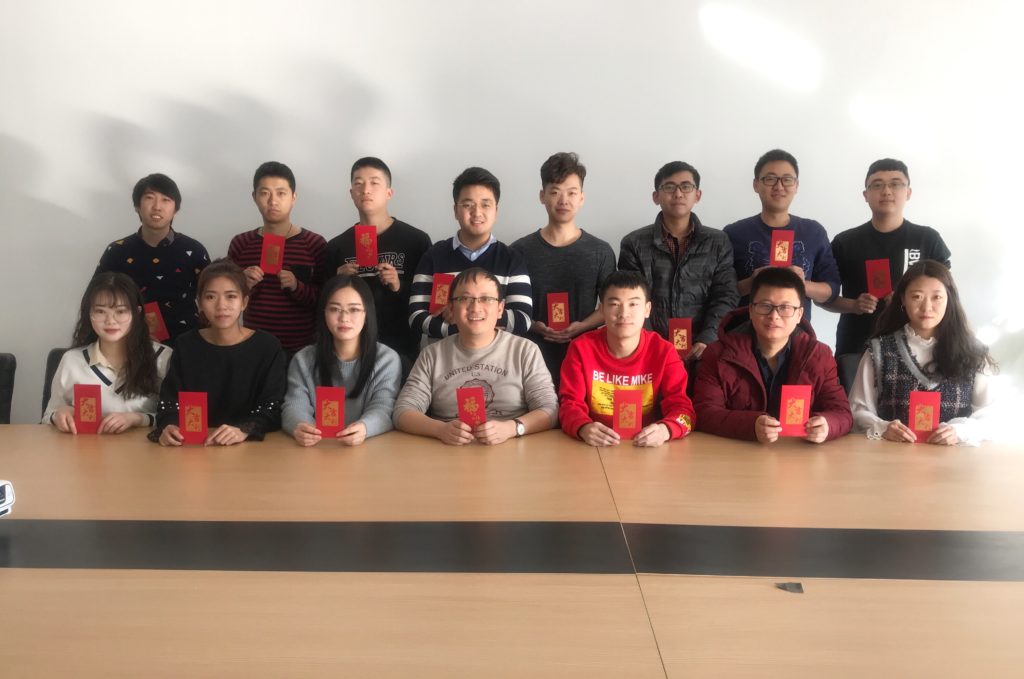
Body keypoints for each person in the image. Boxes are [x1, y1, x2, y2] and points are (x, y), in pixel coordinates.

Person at [394, 267, 557, 445]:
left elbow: (549, 410)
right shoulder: (432, 355)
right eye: (465, 299)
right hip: (449, 450)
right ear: (451, 307)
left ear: (500, 308)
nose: (475, 307)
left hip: (512, 446)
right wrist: (440, 430)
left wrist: (512, 428)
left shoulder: (525, 351)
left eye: (486, 299)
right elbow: (403, 411)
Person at [694, 267, 852, 444]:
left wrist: (828, 425)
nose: (774, 316)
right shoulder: (718, 354)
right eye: (765, 306)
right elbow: (704, 411)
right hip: (736, 452)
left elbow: (841, 413)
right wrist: (750, 425)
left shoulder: (820, 356)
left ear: (799, 314)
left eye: (785, 308)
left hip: (797, 454)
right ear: (751, 310)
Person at [849, 260, 996, 446]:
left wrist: (960, 431)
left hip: (955, 458)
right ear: (903, 299)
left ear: (949, 299)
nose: (927, 307)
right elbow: (857, 409)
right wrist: (883, 427)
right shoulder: (878, 350)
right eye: (917, 297)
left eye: (937, 297)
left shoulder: (973, 353)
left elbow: (990, 414)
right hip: (892, 456)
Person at [151, 259, 287, 446]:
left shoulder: (267, 347)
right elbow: (169, 402)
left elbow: (273, 407)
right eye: (210, 297)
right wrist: (169, 426)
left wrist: (244, 430)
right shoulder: (186, 345)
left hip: (250, 448)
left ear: (244, 302)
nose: (221, 305)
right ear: (199, 303)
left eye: (231, 296)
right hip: (195, 448)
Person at [825, 158, 952, 356]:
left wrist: (907, 297)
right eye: (877, 185)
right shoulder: (845, 242)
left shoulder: (927, 239)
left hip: (918, 347)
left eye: (895, 184)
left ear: (908, 192)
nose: (886, 191)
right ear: (865, 195)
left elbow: (947, 292)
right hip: (857, 347)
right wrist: (854, 305)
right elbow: (824, 298)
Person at [511, 152, 615, 388]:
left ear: (582, 198)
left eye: (571, 192)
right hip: (530, 356)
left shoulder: (601, 251)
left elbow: (610, 306)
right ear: (542, 196)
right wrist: (533, 324)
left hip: (585, 357)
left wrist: (583, 326)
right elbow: (507, 305)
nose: (563, 200)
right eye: (555, 192)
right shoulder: (519, 251)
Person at [618, 160, 738, 365]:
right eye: (669, 187)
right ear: (656, 196)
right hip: (649, 351)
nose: (678, 193)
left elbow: (726, 295)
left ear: (697, 195)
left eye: (686, 186)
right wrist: (651, 344)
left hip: (705, 349)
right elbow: (631, 300)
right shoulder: (634, 243)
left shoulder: (718, 242)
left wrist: (707, 339)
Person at [559, 271, 696, 447]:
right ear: (602, 309)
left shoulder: (664, 352)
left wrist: (666, 430)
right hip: (594, 447)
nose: (624, 313)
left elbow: (684, 410)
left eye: (633, 304)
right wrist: (583, 427)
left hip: (646, 448)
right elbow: (569, 404)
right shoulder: (580, 348)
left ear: (647, 309)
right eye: (615, 304)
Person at [322, 157, 432, 369]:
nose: (366, 190)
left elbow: (428, 298)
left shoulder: (416, 240)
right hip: (351, 352)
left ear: (389, 192)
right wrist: (338, 282)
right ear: (351, 193)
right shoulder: (337, 246)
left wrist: (398, 285)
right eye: (358, 183)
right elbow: (323, 301)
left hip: (402, 349)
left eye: (374, 183)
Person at [407, 167, 532, 342]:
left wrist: (466, 315)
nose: (477, 212)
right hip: (444, 356)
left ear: (496, 211)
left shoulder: (512, 259)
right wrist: (466, 326)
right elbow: (416, 316)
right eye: (468, 205)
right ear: (455, 210)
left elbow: (523, 319)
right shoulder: (433, 256)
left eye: (485, 205)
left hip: (498, 358)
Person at [43, 272, 171, 432]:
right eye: (100, 311)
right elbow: (47, 416)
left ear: (137, 313)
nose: (110, 321)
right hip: (85, 447)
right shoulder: (72, 360)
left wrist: (138, 419)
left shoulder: (163, 358)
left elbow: (176, 419)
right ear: (89, 314)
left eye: (121, 311)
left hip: (145, 447)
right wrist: (58, 415)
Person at [283, 275, 402, 446]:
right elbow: (294, 405)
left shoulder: (387, 360)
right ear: (324, 312)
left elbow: (384, 407)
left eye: (354, 310)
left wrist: (365, 427)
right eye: (334, 309)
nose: (344, 318)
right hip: (317, 448)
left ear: (366, 314)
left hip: (368, 447)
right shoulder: (303, 359)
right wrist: (301, 426)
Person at [723, 149, 840, 320]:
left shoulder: (813, 232)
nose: (779, 186)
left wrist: (801, 284)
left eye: (787, 179)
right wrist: (752, 282)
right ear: (756, 184)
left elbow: (831, 290)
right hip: (743, 331)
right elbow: (720, 291)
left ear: (796, 185)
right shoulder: (734, 233)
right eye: (770, 179)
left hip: (798, 332)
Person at [95, 173, 210, 341]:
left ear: (176, 210)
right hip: (130, 342)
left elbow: (212, 298)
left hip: (187, 344)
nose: (157, 206)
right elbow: (95, 298)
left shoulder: (194, 250)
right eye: (149, 198)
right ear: (137, 206)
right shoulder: (117, 251)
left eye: (166, 200)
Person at [228, 161, 327, 353]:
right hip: (254, 347)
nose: (273, 201)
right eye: (265, 193)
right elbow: (226, 300)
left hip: (303, 350)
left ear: (293, 197)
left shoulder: (314, 244)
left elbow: (326, 299)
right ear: (254, 197)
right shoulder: (241, 243)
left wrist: (297, 286)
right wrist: (242, 285)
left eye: (281, 193)